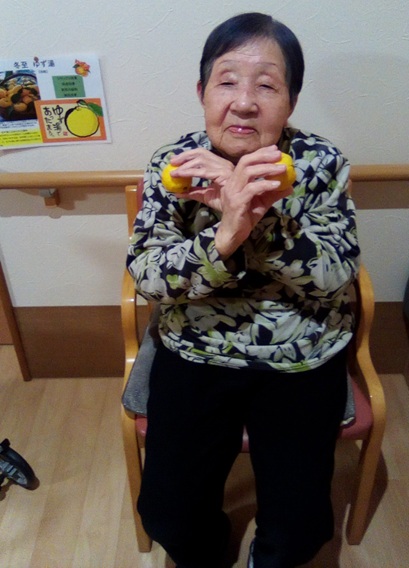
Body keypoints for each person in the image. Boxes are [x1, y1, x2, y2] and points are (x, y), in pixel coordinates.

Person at [127, 12, 360, 568]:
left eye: (267, 86)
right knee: (168, 511)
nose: (245, 102)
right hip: (195, 351)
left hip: (301, 353)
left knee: (301, 523)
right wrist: (223, 236)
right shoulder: (175, 165)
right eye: (227, 81)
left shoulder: (321, 164)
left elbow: (336, 274)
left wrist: (257, 219)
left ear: (291, 101)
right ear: (202, 92)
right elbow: (149, 275)